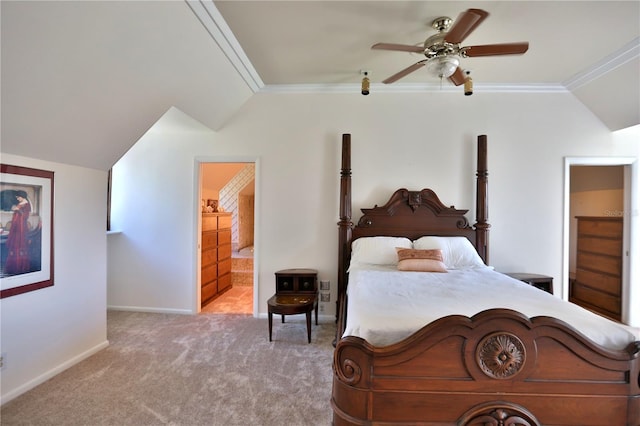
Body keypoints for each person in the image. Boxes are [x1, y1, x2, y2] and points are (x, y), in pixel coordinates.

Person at [4, 190, 31, 275]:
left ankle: (20, 267)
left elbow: (25, 216)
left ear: (22, 196)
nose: (17, 198)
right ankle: (13, 267)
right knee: (14, 246)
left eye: (18, 197)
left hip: (21, 228)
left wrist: (17, 209)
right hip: (16, 228)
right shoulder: (20, 204)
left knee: (20, 246)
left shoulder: (26, 204)